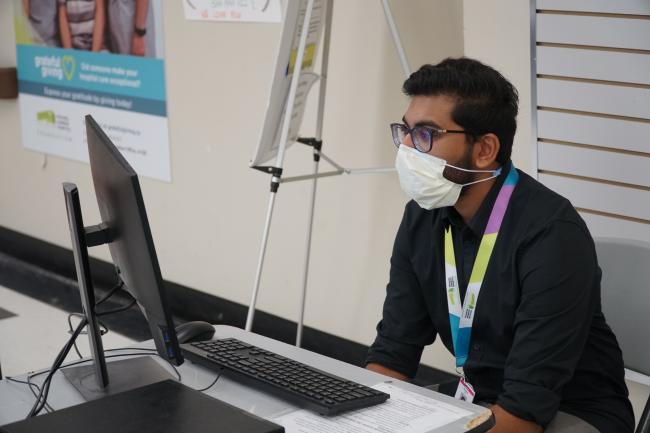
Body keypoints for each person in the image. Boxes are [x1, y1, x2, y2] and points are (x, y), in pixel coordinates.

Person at [365, 57, 634, 433]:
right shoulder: (422, 215)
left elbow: (525, 412)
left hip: (567, 411)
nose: (407, 148)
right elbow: (393, 355)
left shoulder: (553, 235)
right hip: (479, 396)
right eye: (405, 131)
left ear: (485, 149)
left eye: (426, 134)